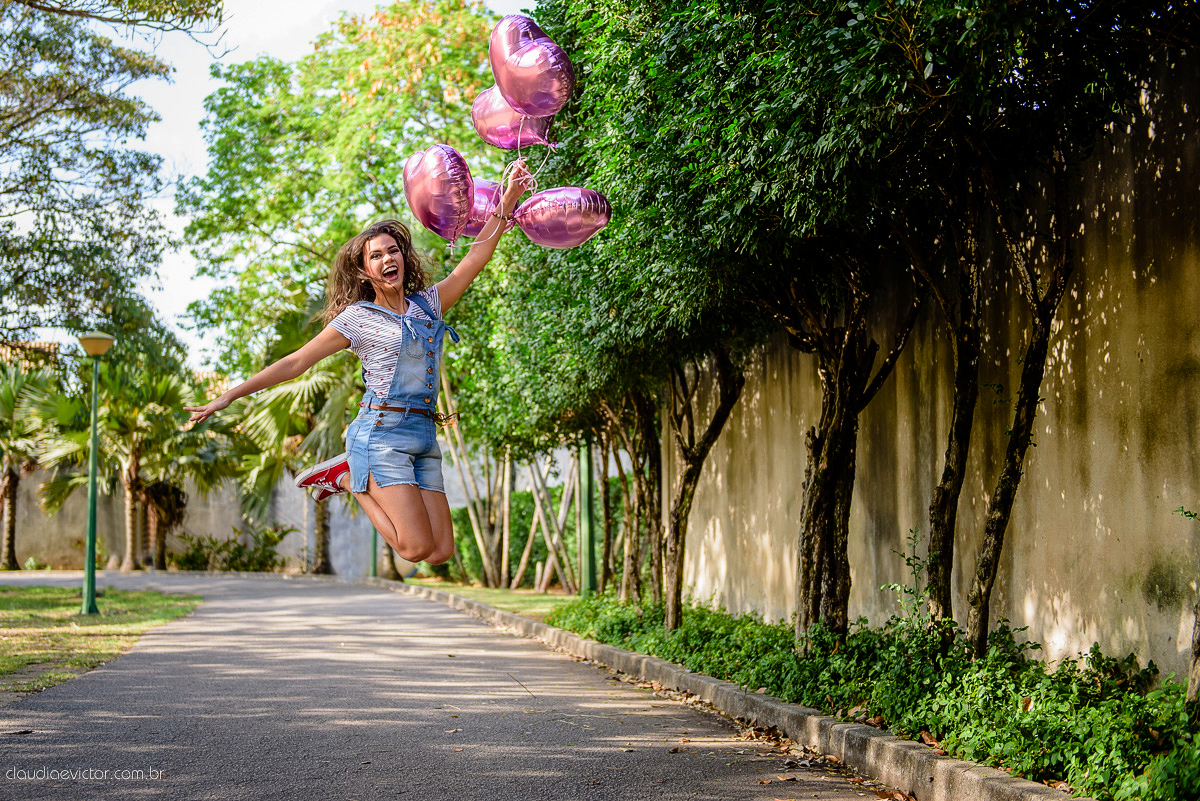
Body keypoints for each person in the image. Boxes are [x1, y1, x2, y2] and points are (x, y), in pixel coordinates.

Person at [185, 160, 530, 565]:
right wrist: (228, 396)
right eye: (377, 256)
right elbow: (296, 363)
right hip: (380, 435)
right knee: (414, 548)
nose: (388, 259)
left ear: (403, 257)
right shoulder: (357, 319)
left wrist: (508, 199)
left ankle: (350, 475)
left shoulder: (428, 305)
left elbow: (475, 258)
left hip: (422, 433)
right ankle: (346, 478)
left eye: (393, 250)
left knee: (441, 552)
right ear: (365, 272)